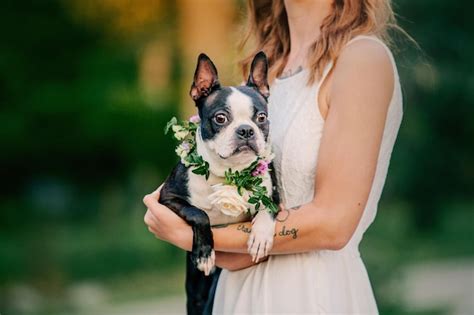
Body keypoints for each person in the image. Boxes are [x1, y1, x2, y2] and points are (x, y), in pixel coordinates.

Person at [144, 0, 406, 313]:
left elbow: (333, 225)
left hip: (311, 292)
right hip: (237, 293)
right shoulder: (263, 72)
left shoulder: (362, 58)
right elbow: (241, 241)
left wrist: (196, 235)